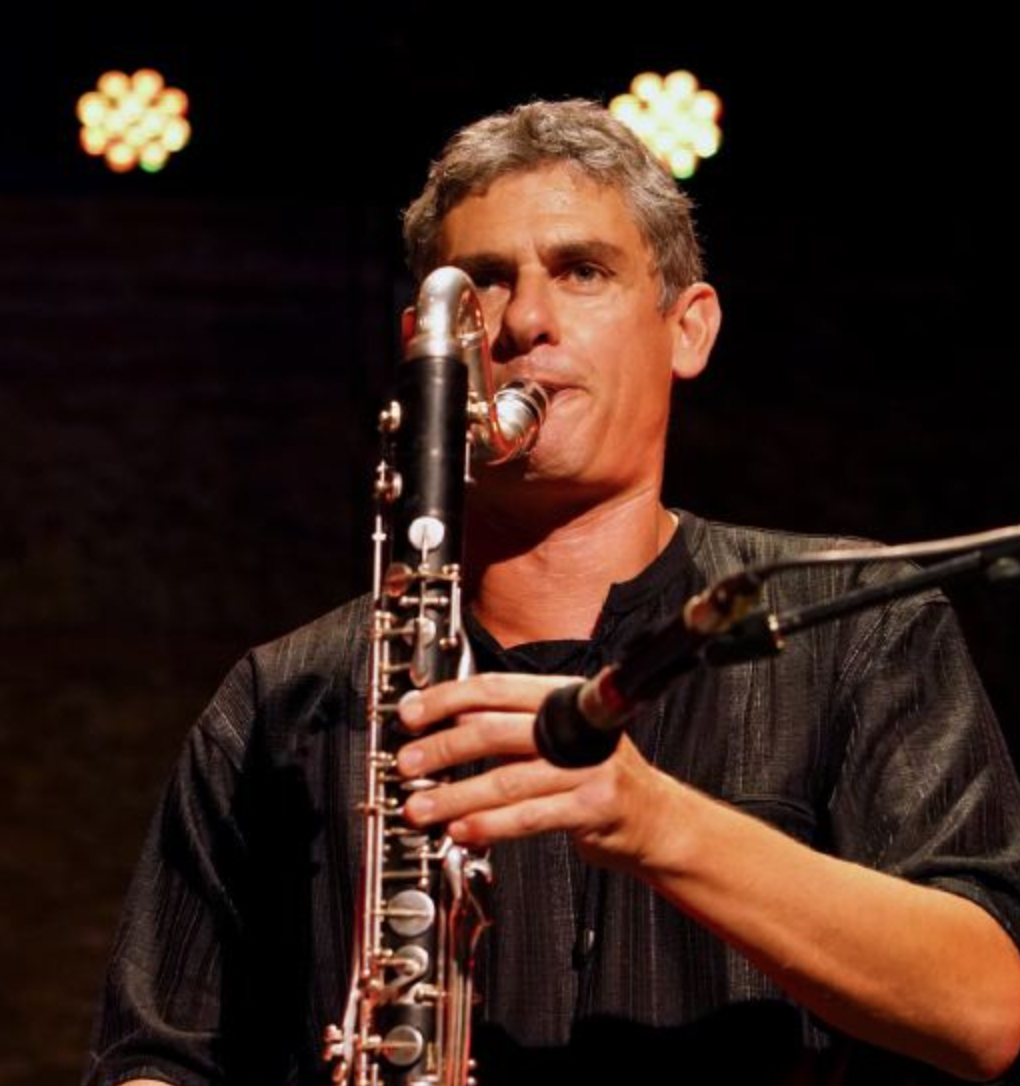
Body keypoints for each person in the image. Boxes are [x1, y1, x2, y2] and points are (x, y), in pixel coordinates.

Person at [83, 99, 1020, 1086]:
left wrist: (658, 824)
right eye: (484, 283)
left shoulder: (856, 622)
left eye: (582, 271)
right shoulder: (286, 697)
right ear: (427, 350)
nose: (526, 321)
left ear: (688, 329)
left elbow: (989, 1006)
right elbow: (158, 1056)